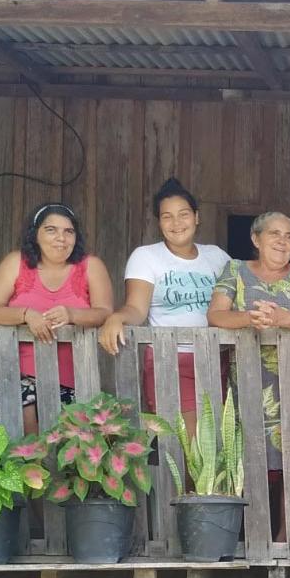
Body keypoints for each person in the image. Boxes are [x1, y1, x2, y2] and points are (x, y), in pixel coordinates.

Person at [207, 211, 290, 540]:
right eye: (274, 233)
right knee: (248, 454)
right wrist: (250, 318)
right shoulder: (236, 270)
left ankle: (287, 535)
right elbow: (216, 315)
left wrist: (284, 319)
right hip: (247, 380)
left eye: (289, 236)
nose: (282, 241)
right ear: (255, 238)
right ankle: (250, 534)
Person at [100, 178, 230, 431]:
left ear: (196, 217)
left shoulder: (217, 257)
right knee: (189, 445)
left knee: (218, 440)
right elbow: (137, 309)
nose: (176, 223)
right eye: (167, 216)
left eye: (183, 214)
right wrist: (117, 317)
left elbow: (236, 303)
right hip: (170, 360)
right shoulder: (147, 257)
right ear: (159, 222)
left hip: (217, 358)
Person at [0, 202, 114, 435]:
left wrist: (72, 314)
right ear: (35, 234)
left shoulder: (91, 266)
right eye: (51, 230)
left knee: (69, 454)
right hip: (21, 376)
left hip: (77, 379)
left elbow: (105, 312)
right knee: (30, 445)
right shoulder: (16, 263)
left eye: (68, 231)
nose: (61, 238)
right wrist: (25, 314)